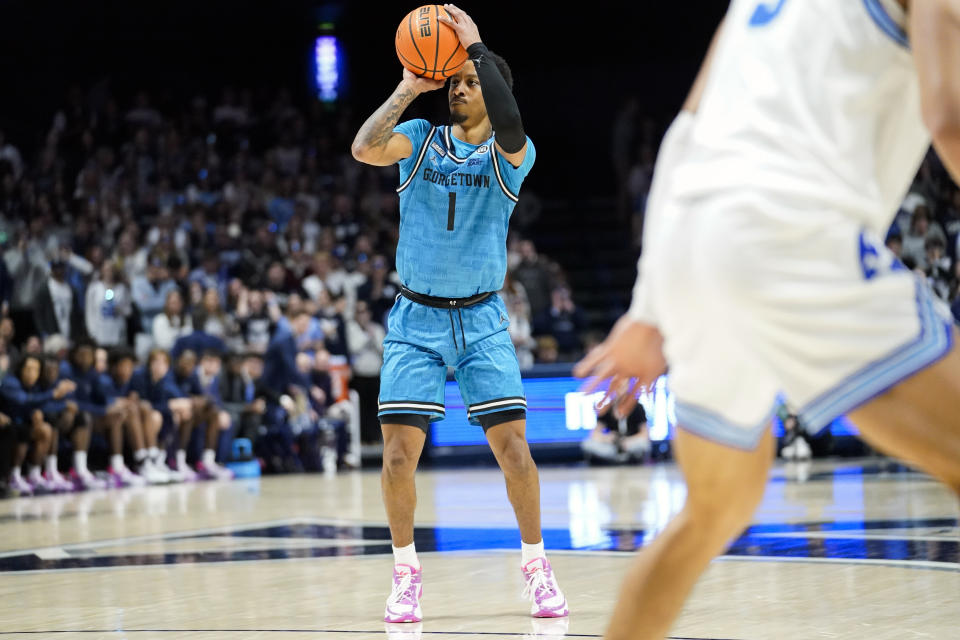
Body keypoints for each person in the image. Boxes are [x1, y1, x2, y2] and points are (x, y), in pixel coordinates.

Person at [574, 2, 960, 639]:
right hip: (792, 229)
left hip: (696, 238)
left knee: (712, 512)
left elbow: (685, 132)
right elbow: (946, 114)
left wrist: (649, 309)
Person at [351, 4, 567, 623]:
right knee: (397, 455)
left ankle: (536, 564)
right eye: (455, 83)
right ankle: (405, 574)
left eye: (470, 83)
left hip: (481, 321)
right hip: (415, 319)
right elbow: (364, 148)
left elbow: (514, 122)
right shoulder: (418, 142)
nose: (458, 89)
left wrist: (475, 50)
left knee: (515, 450)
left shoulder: (510, 156)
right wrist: (408, 86)